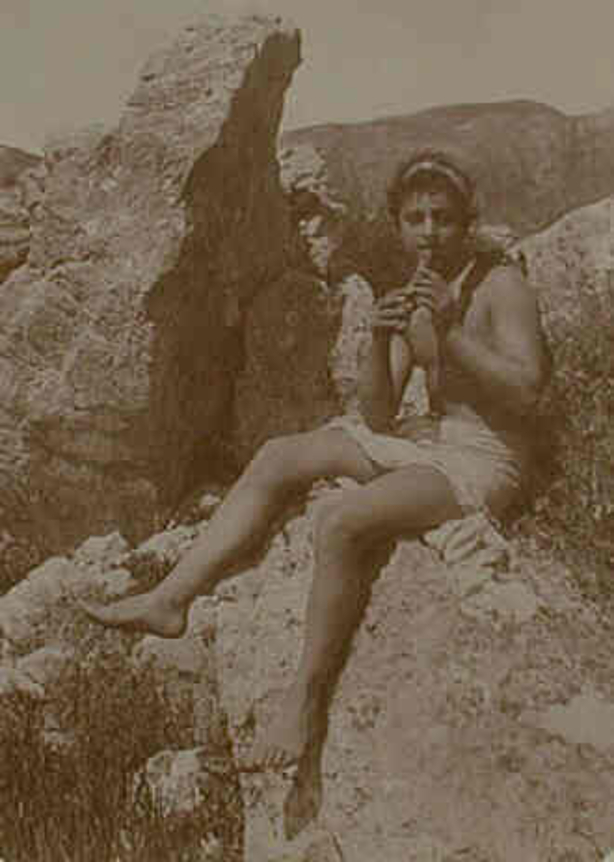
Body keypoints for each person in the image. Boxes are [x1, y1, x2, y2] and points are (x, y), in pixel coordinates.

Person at [83, 149, 549, 779]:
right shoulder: (421, 291)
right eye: (416, 219)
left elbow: (526, 393)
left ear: (467, 221)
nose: (430, 231)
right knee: (280, 454)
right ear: (399, 225)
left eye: (443, 217)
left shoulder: (501, 285)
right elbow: (380, 417)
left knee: (341, 520)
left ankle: (302, 701)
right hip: (429, 438)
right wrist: (382, 338)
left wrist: (451, 330)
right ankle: (169, 599)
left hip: (485, 460)